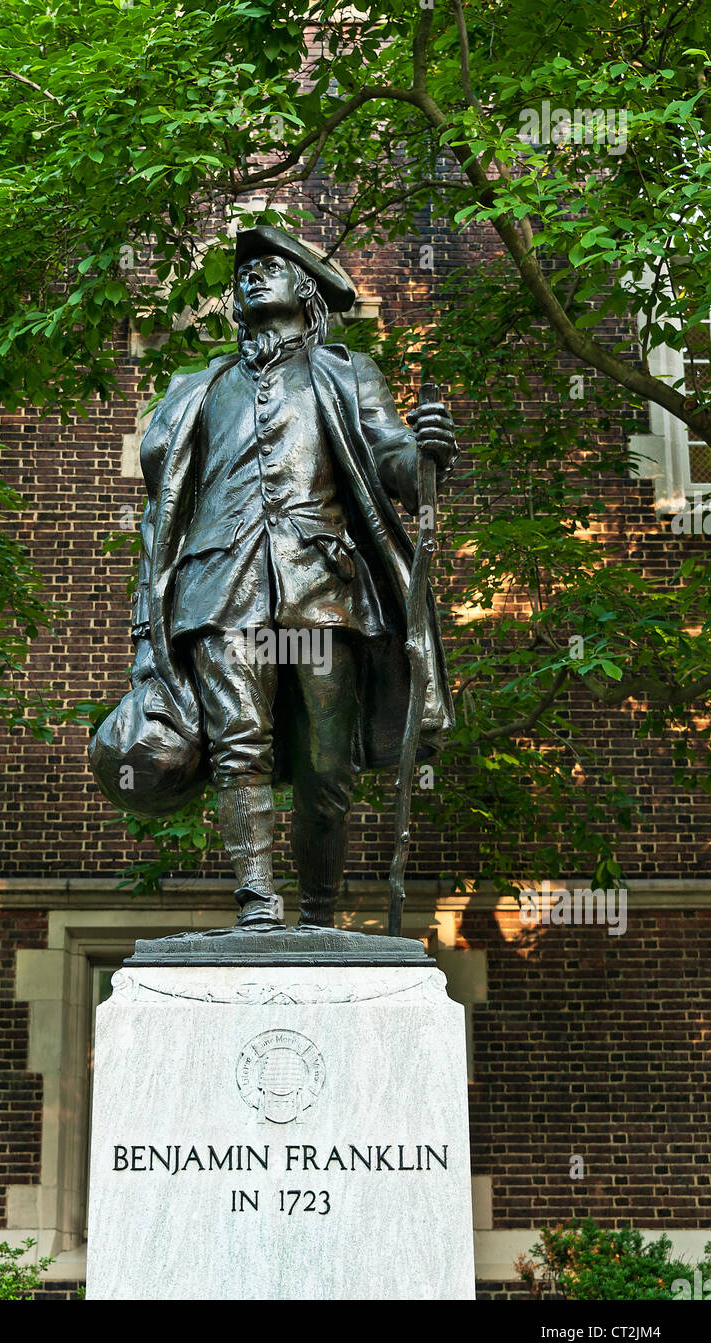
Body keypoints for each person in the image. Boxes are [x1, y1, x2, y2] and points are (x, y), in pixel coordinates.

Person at [131, 225, 457, 929]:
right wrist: (142, 634)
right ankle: (255, 904)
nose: (251, 277)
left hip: (320, 592)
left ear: (304, 288)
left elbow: (391, 450)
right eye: (244, 270)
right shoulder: (196, 388)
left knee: (324, 770)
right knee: (238, 744)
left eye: (270, 267)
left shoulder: (346, 373)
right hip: (219, 589)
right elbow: (159, 514)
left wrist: (424, 458)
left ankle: (316, 914)